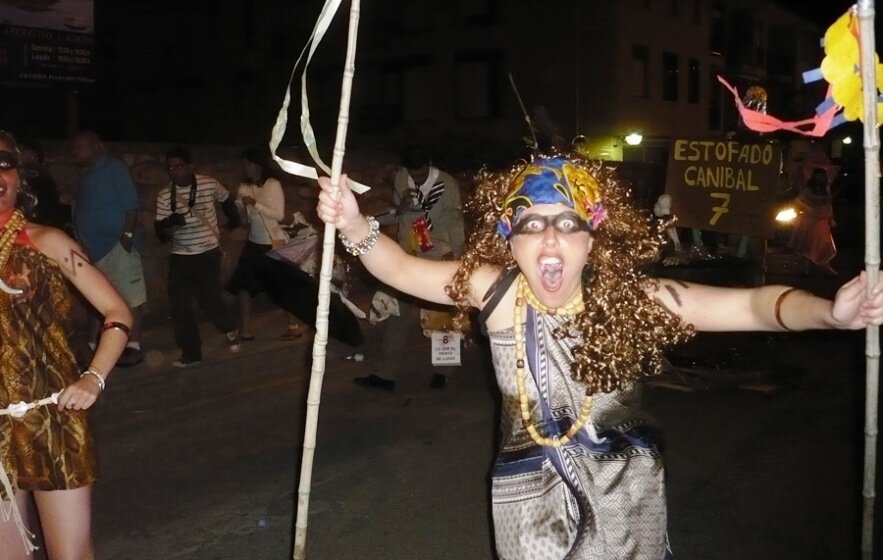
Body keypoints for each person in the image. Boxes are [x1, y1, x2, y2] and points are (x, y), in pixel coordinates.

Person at [317, 154, 883, 559]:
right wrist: (350, 221)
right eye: (532, 225)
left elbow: (758, 307)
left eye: (567, 224)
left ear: (593, 238)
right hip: (525, 494)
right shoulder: (497, 290)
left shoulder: (633, 300)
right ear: (509, 238)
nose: (550, 241)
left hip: (625, 493)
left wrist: (830, 313)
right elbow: (399, 269)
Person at [0, 130, 132, 560]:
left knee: (70, 555)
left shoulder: (48, 242)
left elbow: (116, 311)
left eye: (4, 164)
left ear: (20, 176)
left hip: (51, 415)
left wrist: (94, 377)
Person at [353, 144, 466, 390]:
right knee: (396, 314)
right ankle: (385, 375)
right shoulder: (402, 179)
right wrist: (400, 208)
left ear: (429, 164)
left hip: (439, 256)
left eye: (420, 174)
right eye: (411, 173)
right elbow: (397, 214)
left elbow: (457, 223)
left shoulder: (447, 185)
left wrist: (460, 258)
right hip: (407, 255)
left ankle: (443, 371)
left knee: (442, 316)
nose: (415, 178)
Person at [154, 146, 242, 368]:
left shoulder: (208, 183)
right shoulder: (166, 194)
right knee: (180, 305)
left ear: (190, 166)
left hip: (207, 252)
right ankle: (191, 353)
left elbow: (227, 200)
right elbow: (160, 230)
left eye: (179, 166)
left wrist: (233, 224)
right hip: (181, 255)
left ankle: (230, 327)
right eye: (170, 168)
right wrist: (171, 222)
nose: (174, 171)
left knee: (210, 300)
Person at [71, 130, 147, 367]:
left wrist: (126, 237)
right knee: (98, 298)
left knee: (131, 297)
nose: (77, 151)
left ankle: (133, 345)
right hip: (95, 250)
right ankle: (96, 344)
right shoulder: (89, 174)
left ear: (97, 146)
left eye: (82, 146)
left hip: (116, 246)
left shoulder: (114, 168)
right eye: (75, 147)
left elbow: (131, 206)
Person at [225, 148, 303, 341]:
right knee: (242, 284)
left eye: (248, 164)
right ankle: (245, 329)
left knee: (281, 286)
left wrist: (255, 204)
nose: (245, 168)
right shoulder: (245, 186)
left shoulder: (272, 184)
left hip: (272, 242)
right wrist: (240, 206)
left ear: (258, 164)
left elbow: (279, 215)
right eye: (244, 164)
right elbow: (243, 216)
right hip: (254, 242)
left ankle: (294, 325)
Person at [788, 167, 837, 275]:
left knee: (824, 242)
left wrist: (831, 218)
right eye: (817, 176)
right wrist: (807, 208)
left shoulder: (826, 188)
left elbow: (828, 204)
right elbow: (797, 201)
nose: (819, 178)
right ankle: (806, 268)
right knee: (807, 243)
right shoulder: (808, 188)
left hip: (821, 218)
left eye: (821, 176)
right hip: (809, 219)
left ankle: (825, 265)